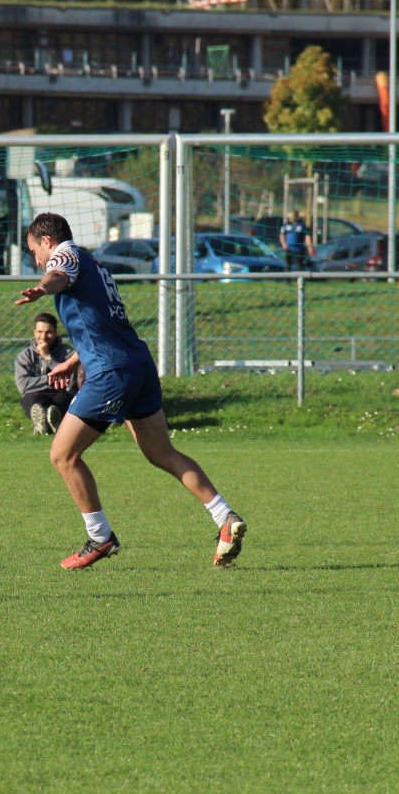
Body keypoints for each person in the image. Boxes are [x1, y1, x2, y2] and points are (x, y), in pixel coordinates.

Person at [16, 211, 247, 570]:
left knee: (62, 456)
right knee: (161, 452)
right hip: (137, 364)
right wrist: (74, 361)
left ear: (47, 241)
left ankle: (100, 537)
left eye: (35, 252)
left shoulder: (66, 256)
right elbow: (102, 324)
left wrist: (43, 288)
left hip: (111, 372)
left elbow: (58, 272)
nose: (37, 260)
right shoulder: (93, 263)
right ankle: (225, 517)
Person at [15, 312, 78, 435]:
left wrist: (48, 358)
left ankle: (51, 419)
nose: (43, 337)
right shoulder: (24, 356)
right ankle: (44, 420)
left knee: (63, 399)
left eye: (48, 332)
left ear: (55, 333)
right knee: (33, 400)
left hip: (61, 392)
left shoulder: (68, 353)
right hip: (36, 393)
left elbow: (70, 382)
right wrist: (54, 379)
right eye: (39, 332)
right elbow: (23, 385)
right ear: (34, 332)